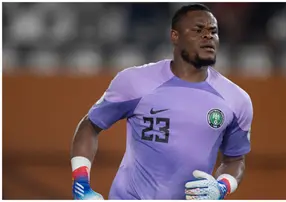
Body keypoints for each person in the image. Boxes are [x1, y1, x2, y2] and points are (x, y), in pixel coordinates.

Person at [70, 3, 253, 200]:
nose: (208, 36)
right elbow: (90, 125)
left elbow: (235, 159)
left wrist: (221, 187)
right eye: (198, 30)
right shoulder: (135, 82)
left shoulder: (236, 100)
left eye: (213, 31)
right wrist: (81, 184)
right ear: (175, 36)